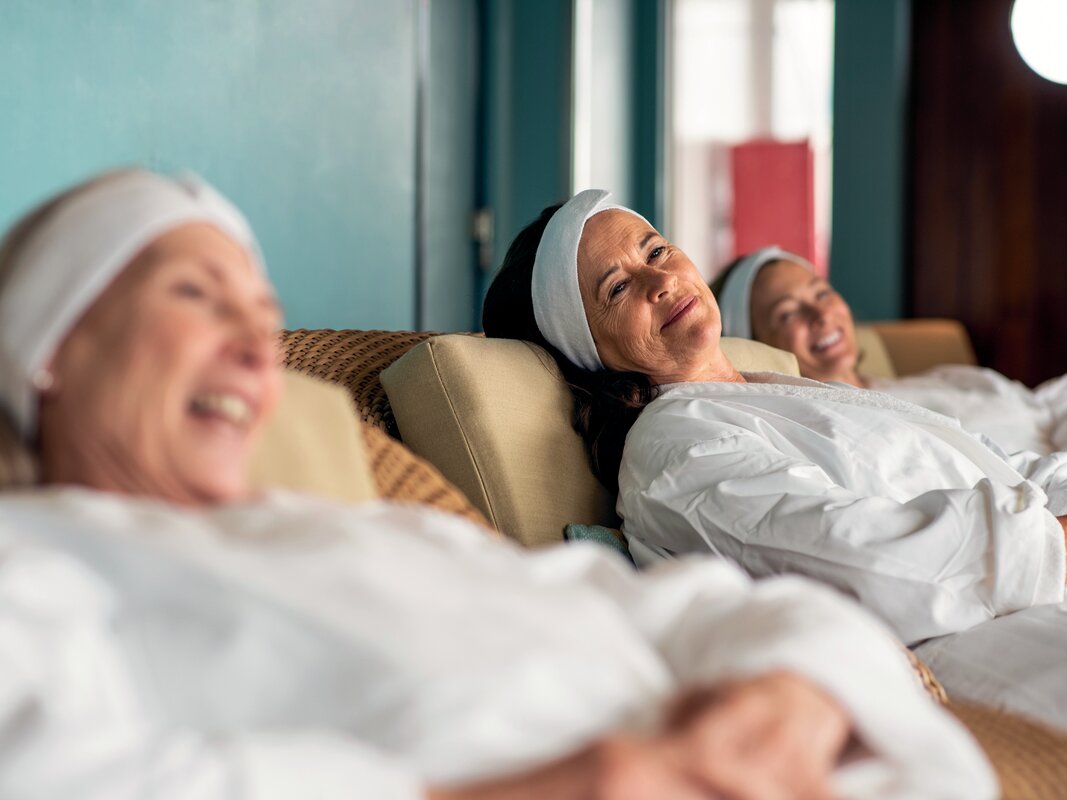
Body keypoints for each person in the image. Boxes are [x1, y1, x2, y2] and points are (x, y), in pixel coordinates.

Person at [0, 169, 992, 799]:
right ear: (49, 345)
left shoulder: (380, 530)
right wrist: (575, 782)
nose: (256, 350)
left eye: (263, 320)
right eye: (193, 295)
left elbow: (707, 607)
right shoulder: (35, 567)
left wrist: (794, 693)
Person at [482, 189, 1067, 728]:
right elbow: (866, 564)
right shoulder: (673, 449)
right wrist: (1051, 539)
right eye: (616, 289)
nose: (659, 280)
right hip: (954, 650)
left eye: (656, 250)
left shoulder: (779, 389)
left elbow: (1002, 464)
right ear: (590, 349)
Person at [714, 246, 1067, 456]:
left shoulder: (944, 377)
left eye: (821, 293)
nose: (821, 314)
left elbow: (1042, 405)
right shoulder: (842, 431)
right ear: (757, 344)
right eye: (787, 313)